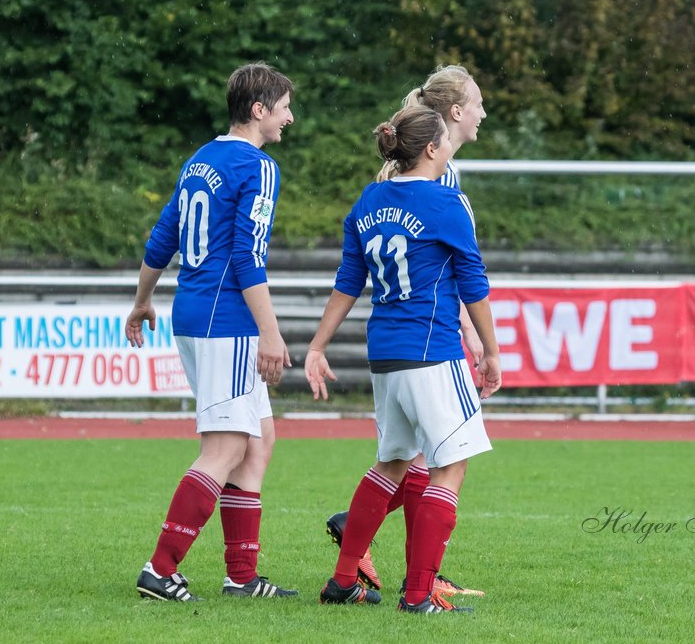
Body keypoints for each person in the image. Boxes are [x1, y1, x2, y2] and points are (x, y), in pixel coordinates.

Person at [307, 105, 502, 613]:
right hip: (431, 350)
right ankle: (419, 596)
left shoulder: (369, 200)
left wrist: (317, 345)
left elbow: (348, 282)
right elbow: (474, 284)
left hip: (385, 354)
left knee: (392, 463)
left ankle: (344, 580)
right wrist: (492, 351)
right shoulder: (447, 203)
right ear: (433, 149)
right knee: (449, 468)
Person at [125, 62, 298, 602]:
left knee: (259, 441)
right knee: (224, 447)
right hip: (228, 320)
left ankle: (241, 576)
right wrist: (270, 333)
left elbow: (163, 236)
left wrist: (142, 301)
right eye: (284, 107)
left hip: (192, 312)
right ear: (258, 110)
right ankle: (160, 568)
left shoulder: (201, 160)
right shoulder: (258, 166)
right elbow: (247, 257)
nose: (290, 118)